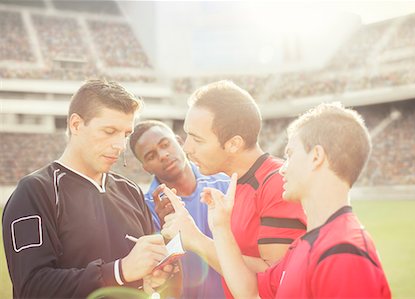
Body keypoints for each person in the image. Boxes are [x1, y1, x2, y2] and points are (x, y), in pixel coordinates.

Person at [2, 80, 180, 298]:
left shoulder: (130, 191)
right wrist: (119, 271)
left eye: (125, 134)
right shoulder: (36, 191)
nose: (120, 145)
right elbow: (32, 287)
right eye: (109, 131)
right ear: (76, 125)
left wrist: (153, 276)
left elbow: (141, 279)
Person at [194, 102, 391, 298]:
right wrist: (220, 227)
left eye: (290, 154)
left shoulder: (344, 253)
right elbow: (251, 293)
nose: (282, 168)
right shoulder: (302, 246)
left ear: (316, 156)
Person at [160, 80, 307, 298]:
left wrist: (195, 239)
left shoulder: (276, 183)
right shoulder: (237, 184)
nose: (186, 148)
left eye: (197, 140)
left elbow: (276, 282)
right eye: (187, 135)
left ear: (234, 144)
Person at [129, 120, 229, 299]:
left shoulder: (224, 183)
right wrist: (166, 235)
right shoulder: (145, 209)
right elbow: (157, 280)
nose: (163, 155)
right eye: (151, 155)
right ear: (146, 168)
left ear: (179, 141)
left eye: (165, 145)